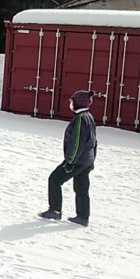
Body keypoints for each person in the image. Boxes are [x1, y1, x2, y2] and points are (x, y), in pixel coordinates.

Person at [39, 90, 97, 226]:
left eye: (72, 101)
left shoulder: (80, 119)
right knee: (82, 188)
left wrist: (70, 162)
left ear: (77, 103)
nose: (70, 103)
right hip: (86, 161)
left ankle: (55, 210)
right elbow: (94, 141)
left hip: (77, 161)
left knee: (54, 180)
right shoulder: (89, 116)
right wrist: (92, 160)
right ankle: (83, 216)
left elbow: (76, 143)